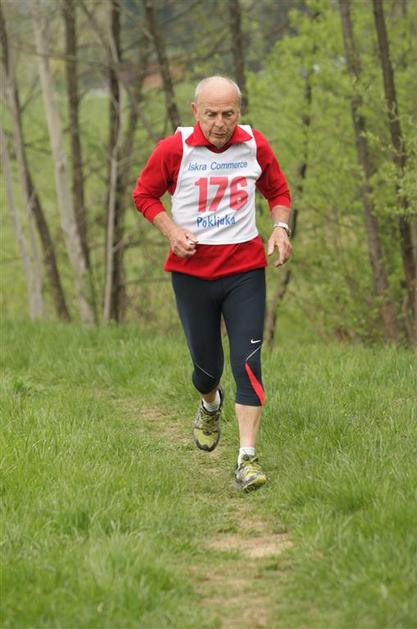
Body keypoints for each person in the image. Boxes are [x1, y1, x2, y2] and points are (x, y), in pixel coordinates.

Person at [133, 76, 292, 491]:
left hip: (244, 273)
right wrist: (171, 231)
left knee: (248, 362)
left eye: (228, 113)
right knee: (207, 370)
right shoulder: (174, 149)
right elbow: (144, 195)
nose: (220, 123)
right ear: (195, 112)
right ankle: (209, 402)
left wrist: (280, 228)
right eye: (211, 114)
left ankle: (247, 459)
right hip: (192, 275)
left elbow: (278, 191)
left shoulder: (254, 145)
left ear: (239, 111)